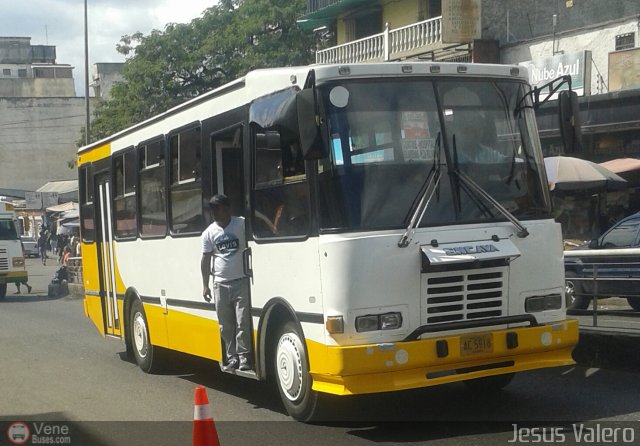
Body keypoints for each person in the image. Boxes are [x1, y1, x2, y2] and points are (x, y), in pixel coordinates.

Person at [200, 194, 252, 372]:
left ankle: (244, 356)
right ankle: (232, 357)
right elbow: (205, 260)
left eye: (217, 208)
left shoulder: (241, 224)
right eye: (212, 208)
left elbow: (259, 221)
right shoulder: (208, 233)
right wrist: (206, 285)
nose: (214, 212)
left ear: (227, 208)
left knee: (242, 321)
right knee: (226, 324)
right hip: (220, 284)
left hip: (241, 280)